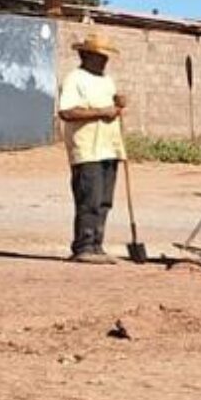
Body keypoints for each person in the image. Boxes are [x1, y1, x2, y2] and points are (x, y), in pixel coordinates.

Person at [55, 32, 127, 264]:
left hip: (109, 147)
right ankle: (83, 246)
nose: (104, 60)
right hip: (87, 149)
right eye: (100, 56)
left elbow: (112, 109)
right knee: (90, 198)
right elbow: (67, 112)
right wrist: (101, 112)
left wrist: (118, 105)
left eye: (105, 56)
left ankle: (97, 244)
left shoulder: (107, 81)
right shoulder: (74, 79)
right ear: (85, 55)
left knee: (104, 201)